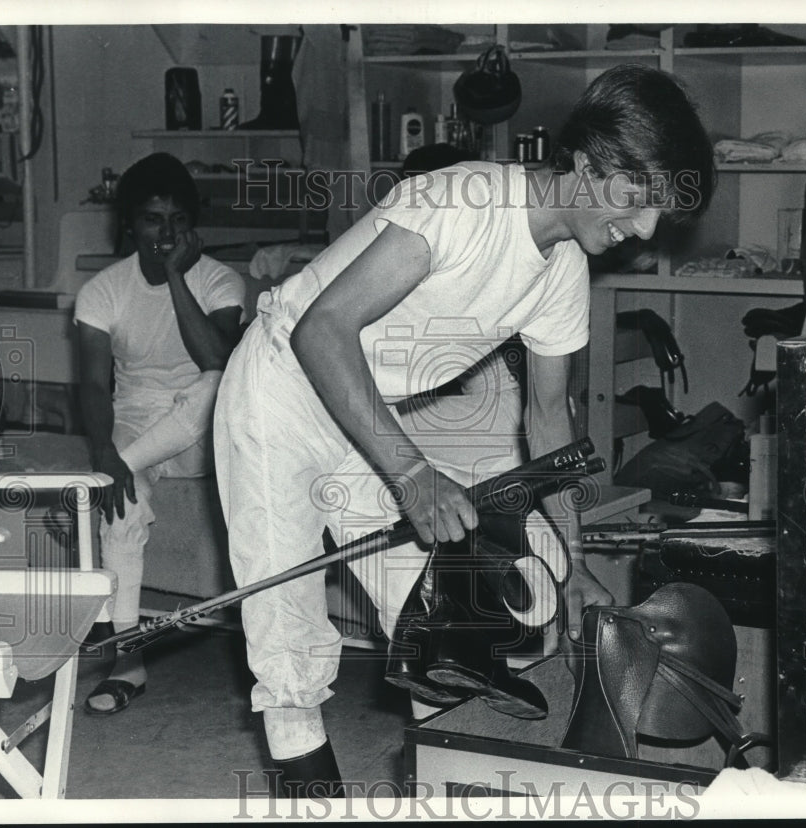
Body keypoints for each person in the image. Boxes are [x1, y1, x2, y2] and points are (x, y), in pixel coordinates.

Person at [212, 64, 715, 796]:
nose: (642, 230)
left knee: (446, 617)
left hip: (364, 411)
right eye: (637, 201)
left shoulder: (565, 270)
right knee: (286, 639)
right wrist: (413, 473)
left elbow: (549, 421)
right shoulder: (463, 204)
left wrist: (573, 569)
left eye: (656, 213)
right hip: (279, 389)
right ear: (587, 162)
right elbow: (322, 332)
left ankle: (446, 790)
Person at [75, 152, 245, 714]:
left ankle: (120, 468)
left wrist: (176, 277)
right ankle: (127, 659)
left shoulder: (219, 278)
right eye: (152, 219)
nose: (165, 232)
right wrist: (108, 453)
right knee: (124, 502)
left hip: (199, 428)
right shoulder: (103, 290)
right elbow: (95, 387)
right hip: (135, 421)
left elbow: (216, 358)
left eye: (176, 220)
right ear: (130, 223)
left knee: (218, 382)